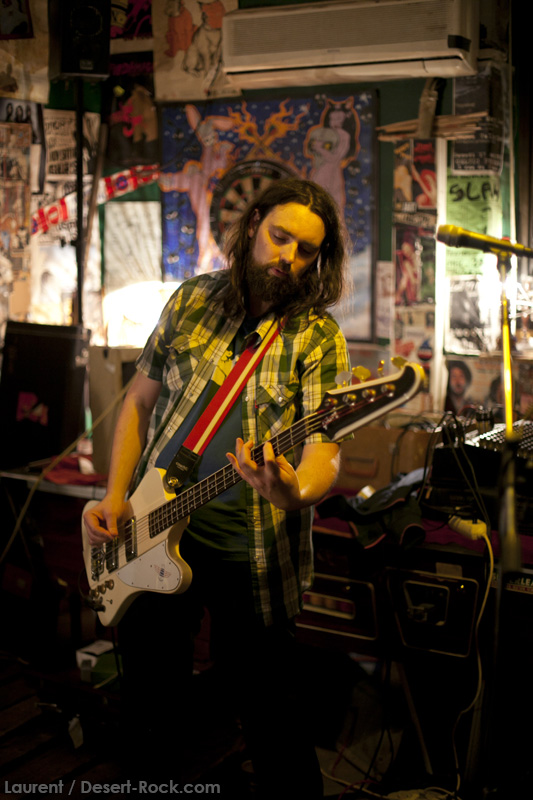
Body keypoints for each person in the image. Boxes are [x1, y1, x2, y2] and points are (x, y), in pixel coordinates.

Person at [83, 178, 351, 797]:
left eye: (306, 250)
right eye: (279, 237)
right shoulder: (192, 300)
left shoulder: (317, 337)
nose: (287, 257)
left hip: (250, 554)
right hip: (149, 530)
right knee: (149, 709)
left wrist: (293, 492)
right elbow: (137, 401)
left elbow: (324, 452)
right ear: (253, 224)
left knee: (272, 718)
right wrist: (116, 494)